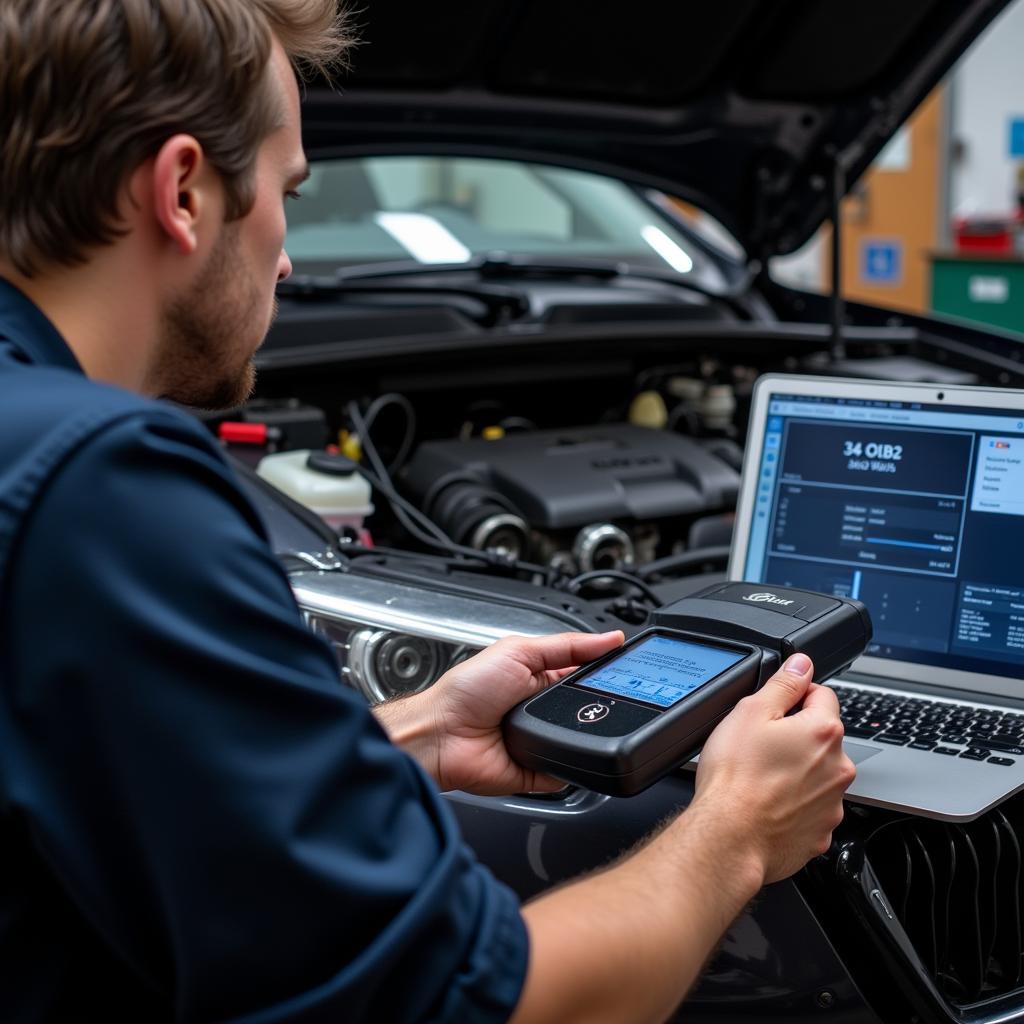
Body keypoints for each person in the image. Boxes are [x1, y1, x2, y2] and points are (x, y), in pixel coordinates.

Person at [0, 2, 856, 1022]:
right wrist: (736, 830)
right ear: (184, 190)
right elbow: (462, 1006)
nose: (285, 258)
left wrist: (412, 732)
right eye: (286, 192)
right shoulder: (100, 485)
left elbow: (109, 792)